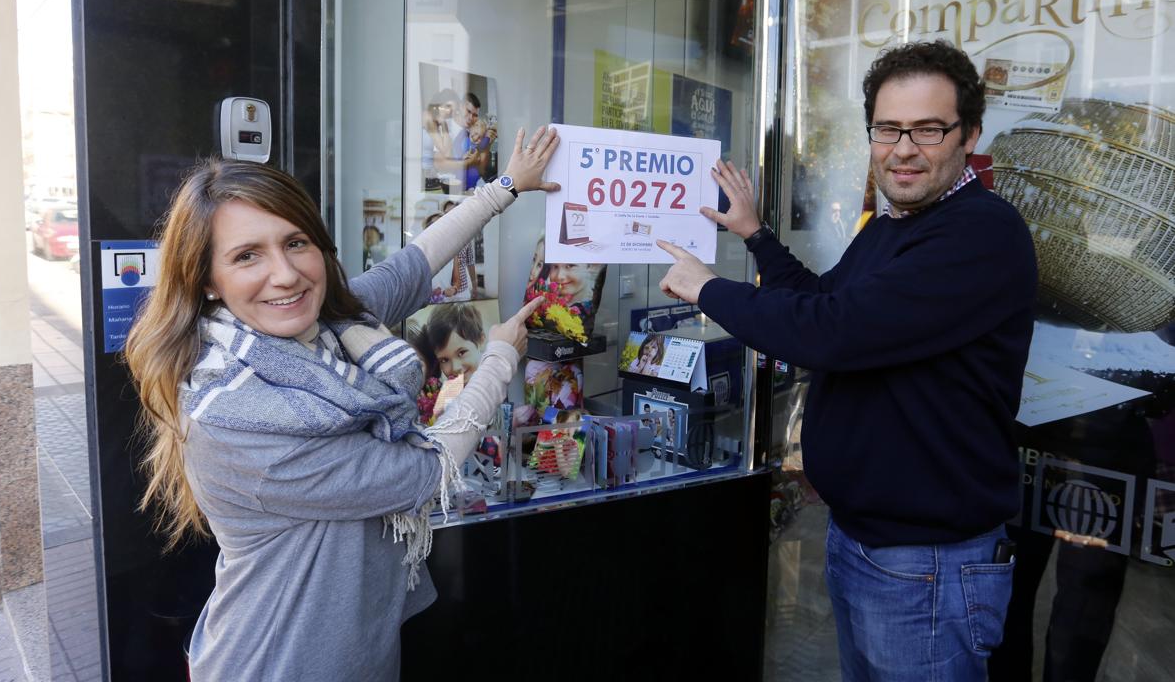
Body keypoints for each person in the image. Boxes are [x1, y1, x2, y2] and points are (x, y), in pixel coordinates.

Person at [657, 40, 1038, 681]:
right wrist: (756, 236)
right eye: (888, 128)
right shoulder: (895, 225)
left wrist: (707, 288)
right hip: (866, 544)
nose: (904, 148)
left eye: (928, 129)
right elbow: (826, 301)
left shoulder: (981, 233)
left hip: (928, 567)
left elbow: (832, 333)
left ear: (970, 135)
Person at [123, 126, 560, 681]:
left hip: (354, 646)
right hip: (282, 663)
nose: (285, 274)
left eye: (296, 242)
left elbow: (410, 267)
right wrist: (498, 359)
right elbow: (424, 471)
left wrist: (505, 188)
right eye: (247, 255)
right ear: (208, 280)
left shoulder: (330, 329)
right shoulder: (237, 421)